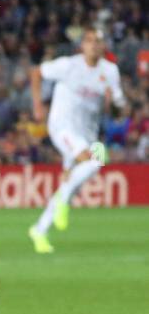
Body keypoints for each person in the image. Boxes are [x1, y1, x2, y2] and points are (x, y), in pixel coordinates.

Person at [28, 25, 127, 253]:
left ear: (103, 46)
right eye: (89, 40)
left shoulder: (110, 71)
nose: (93, 45)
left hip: (87, 134)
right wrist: (37, 107)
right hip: (61, 127)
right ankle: (62, 201)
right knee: (92, 161)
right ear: (82, 45)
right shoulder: (68, 65)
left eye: (98, 41)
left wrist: (113, 105)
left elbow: (119, 109)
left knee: (91, 166)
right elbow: (36, 73)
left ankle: (39, 230)